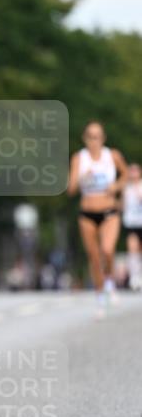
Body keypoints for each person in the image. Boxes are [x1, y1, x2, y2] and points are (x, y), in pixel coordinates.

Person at [67, 121, 127, 317]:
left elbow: (125, 175)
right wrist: (82, 178)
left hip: (109, 210)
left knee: (107, 251)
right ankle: (100, 297)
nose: (94, 141)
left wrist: (116, 187)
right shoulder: (79, 158)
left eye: (98, 136)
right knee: (94, 257)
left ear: (103, 138)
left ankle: (109, 282)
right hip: (87, 213)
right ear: (85, 138)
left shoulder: (113, 156)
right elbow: (71, 189)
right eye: (91, 137)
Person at [122, 163, 142, 291]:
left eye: (135, 170)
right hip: (131, 222)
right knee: (132, 249)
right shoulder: (126, 188)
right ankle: (135, 277)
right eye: (131, 171)